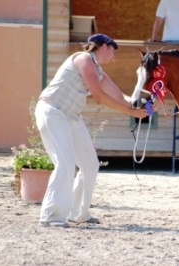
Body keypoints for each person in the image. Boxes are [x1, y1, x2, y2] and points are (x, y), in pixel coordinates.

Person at [35, 33, 150, 228]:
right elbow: (99, 96)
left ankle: (78, 213)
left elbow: (122, 96)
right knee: (65, 164)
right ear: (104, 46)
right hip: (53, 112)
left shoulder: (98, 71)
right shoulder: (84, 59)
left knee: (90, 164)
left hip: (71, 117)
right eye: (112, 50)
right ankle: (51, 215)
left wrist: (141, 105)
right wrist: (130, 111)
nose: (113, 56)